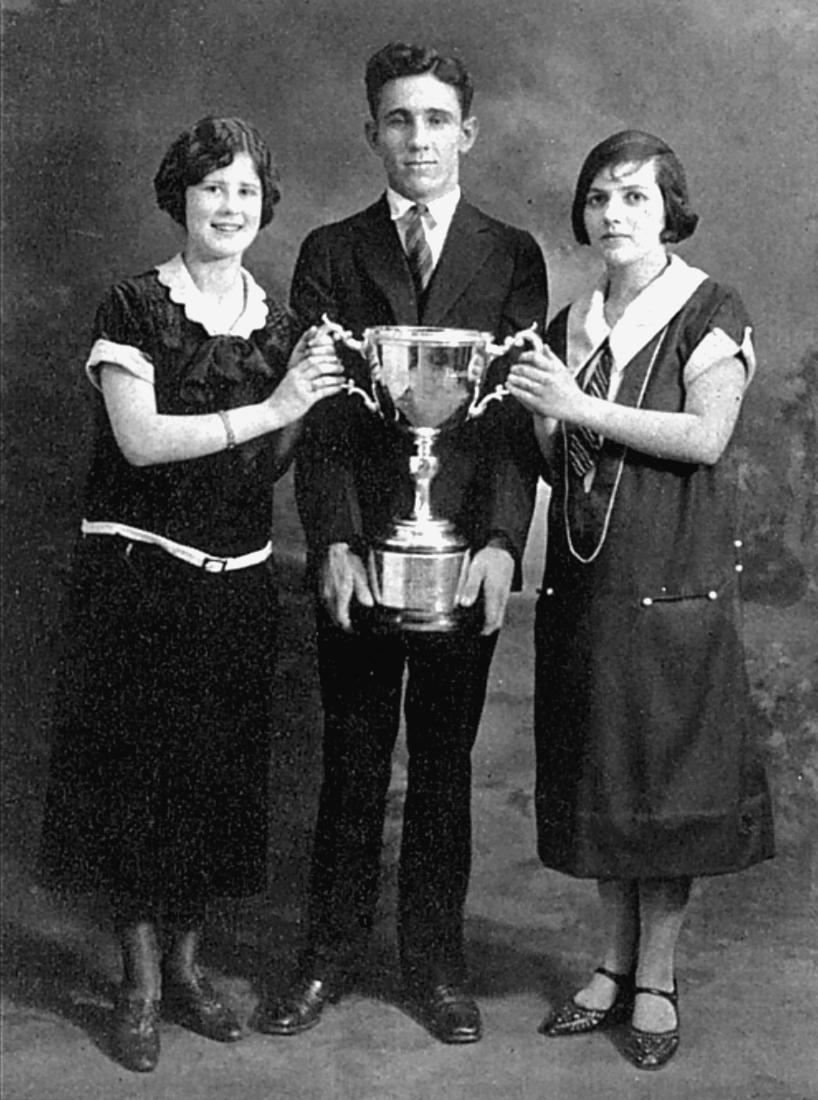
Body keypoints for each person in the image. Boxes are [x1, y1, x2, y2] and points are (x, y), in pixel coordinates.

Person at [38, 116, 345, 1073]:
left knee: (213, 787)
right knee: (138, 785)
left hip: (236, 587)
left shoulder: (280, 325)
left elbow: (269, 463)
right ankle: (135, 987)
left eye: (246, 190)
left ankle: (185, 970)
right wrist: (277, 404)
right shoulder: (134, 305)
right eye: (213, 187)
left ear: (265, 205)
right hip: (138, 584)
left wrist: (308, 400)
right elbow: (140, 442)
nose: (229, 205)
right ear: (180, 197)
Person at [256, 42, 547, 1044]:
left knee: (443, 763)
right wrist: (333, 540)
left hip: (461, 551)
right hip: (365, 548)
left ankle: (436, 965)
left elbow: (511, 418)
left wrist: (502, 541)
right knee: (350, 757)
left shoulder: (511, 254)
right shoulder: (331, 252)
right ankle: (325, 957)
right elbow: (326, 419)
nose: (417, 138)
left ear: (466, 132)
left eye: (435, 120)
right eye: (398, 119)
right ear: (371, 132)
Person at [507, 130, 774, 1070]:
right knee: (605, 778)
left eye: (635, 197)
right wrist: (543, 418)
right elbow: (561, 467)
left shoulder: (707, 307)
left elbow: (705, 437)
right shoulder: (568, 325)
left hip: (674, 580)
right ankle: (611, 964)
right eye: (599, 198)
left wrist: (572, 407)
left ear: (670, 212)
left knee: (664, 784)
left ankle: (656, 977)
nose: (613, 214)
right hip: (589, 587)